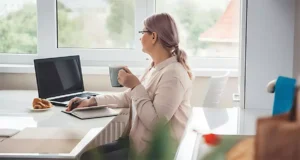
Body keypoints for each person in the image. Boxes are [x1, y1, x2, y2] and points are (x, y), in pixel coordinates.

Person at [66, 13, 193, 160]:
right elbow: (128, 97)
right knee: (86, 155)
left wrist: (136, 86)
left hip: (155, 154)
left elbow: (156, 124)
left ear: (153, 37)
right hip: (136, 144)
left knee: (88, 158)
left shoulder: (174, 74)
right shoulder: (154, 68)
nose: (140, 37)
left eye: (142, 32)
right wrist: (91, 101)